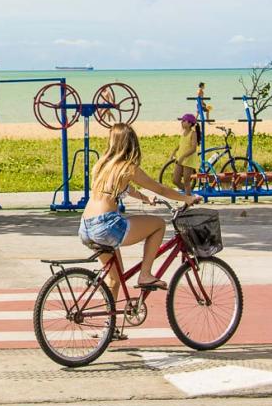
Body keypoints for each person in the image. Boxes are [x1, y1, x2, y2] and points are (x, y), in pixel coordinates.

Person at [80, 123, 200, 300]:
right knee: (158, 224)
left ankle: (109, 325)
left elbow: (124, 188)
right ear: (130, 144)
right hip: (107, 225)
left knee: (115, 279)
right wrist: (187, 198)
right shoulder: (127, 167)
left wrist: (145, 198)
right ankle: (145, 274)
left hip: (86, 227)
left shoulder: (102, 165)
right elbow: (161, 189)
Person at [169, 114, 200, 194]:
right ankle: (189, 193)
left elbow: (193, 148)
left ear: (190, 124)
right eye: (182, 121)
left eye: (184, 121)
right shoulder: (183, 133)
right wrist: (173, 152)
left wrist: (183, 156)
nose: (182, 122)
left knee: (186, 181)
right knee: (175, 180)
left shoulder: (193, 134)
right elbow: (181, 145)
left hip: (188, 160)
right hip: (180, 159)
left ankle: (188, 198)